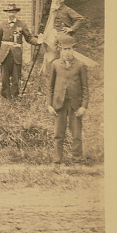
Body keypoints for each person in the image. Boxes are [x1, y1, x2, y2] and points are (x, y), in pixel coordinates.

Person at [47, 33, 89, 165]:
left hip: (75, 104)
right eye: (65, 49)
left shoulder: (80, 65)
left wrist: (83, 106)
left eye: (70, 49)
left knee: (76, 134)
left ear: (74, 50)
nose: (67, 52)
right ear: (60, 49)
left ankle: (77, 160)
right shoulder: (55, 64)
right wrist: (49, 104)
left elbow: (85, 88)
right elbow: (50, 87)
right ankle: (57, 160)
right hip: (59, 104)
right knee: (58, 134)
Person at [0, 3, 35, 99]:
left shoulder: (22, 25)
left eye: (13, 12)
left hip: (16, 55)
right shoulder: (2, 25)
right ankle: (5, 96)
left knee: (16, 77)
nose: (11, 14)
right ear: (6, 13)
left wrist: (37, 41)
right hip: (4, 55)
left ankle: (15, 96)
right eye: (9, 12)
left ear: (16, 12)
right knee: (4, 77)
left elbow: (29, 38)